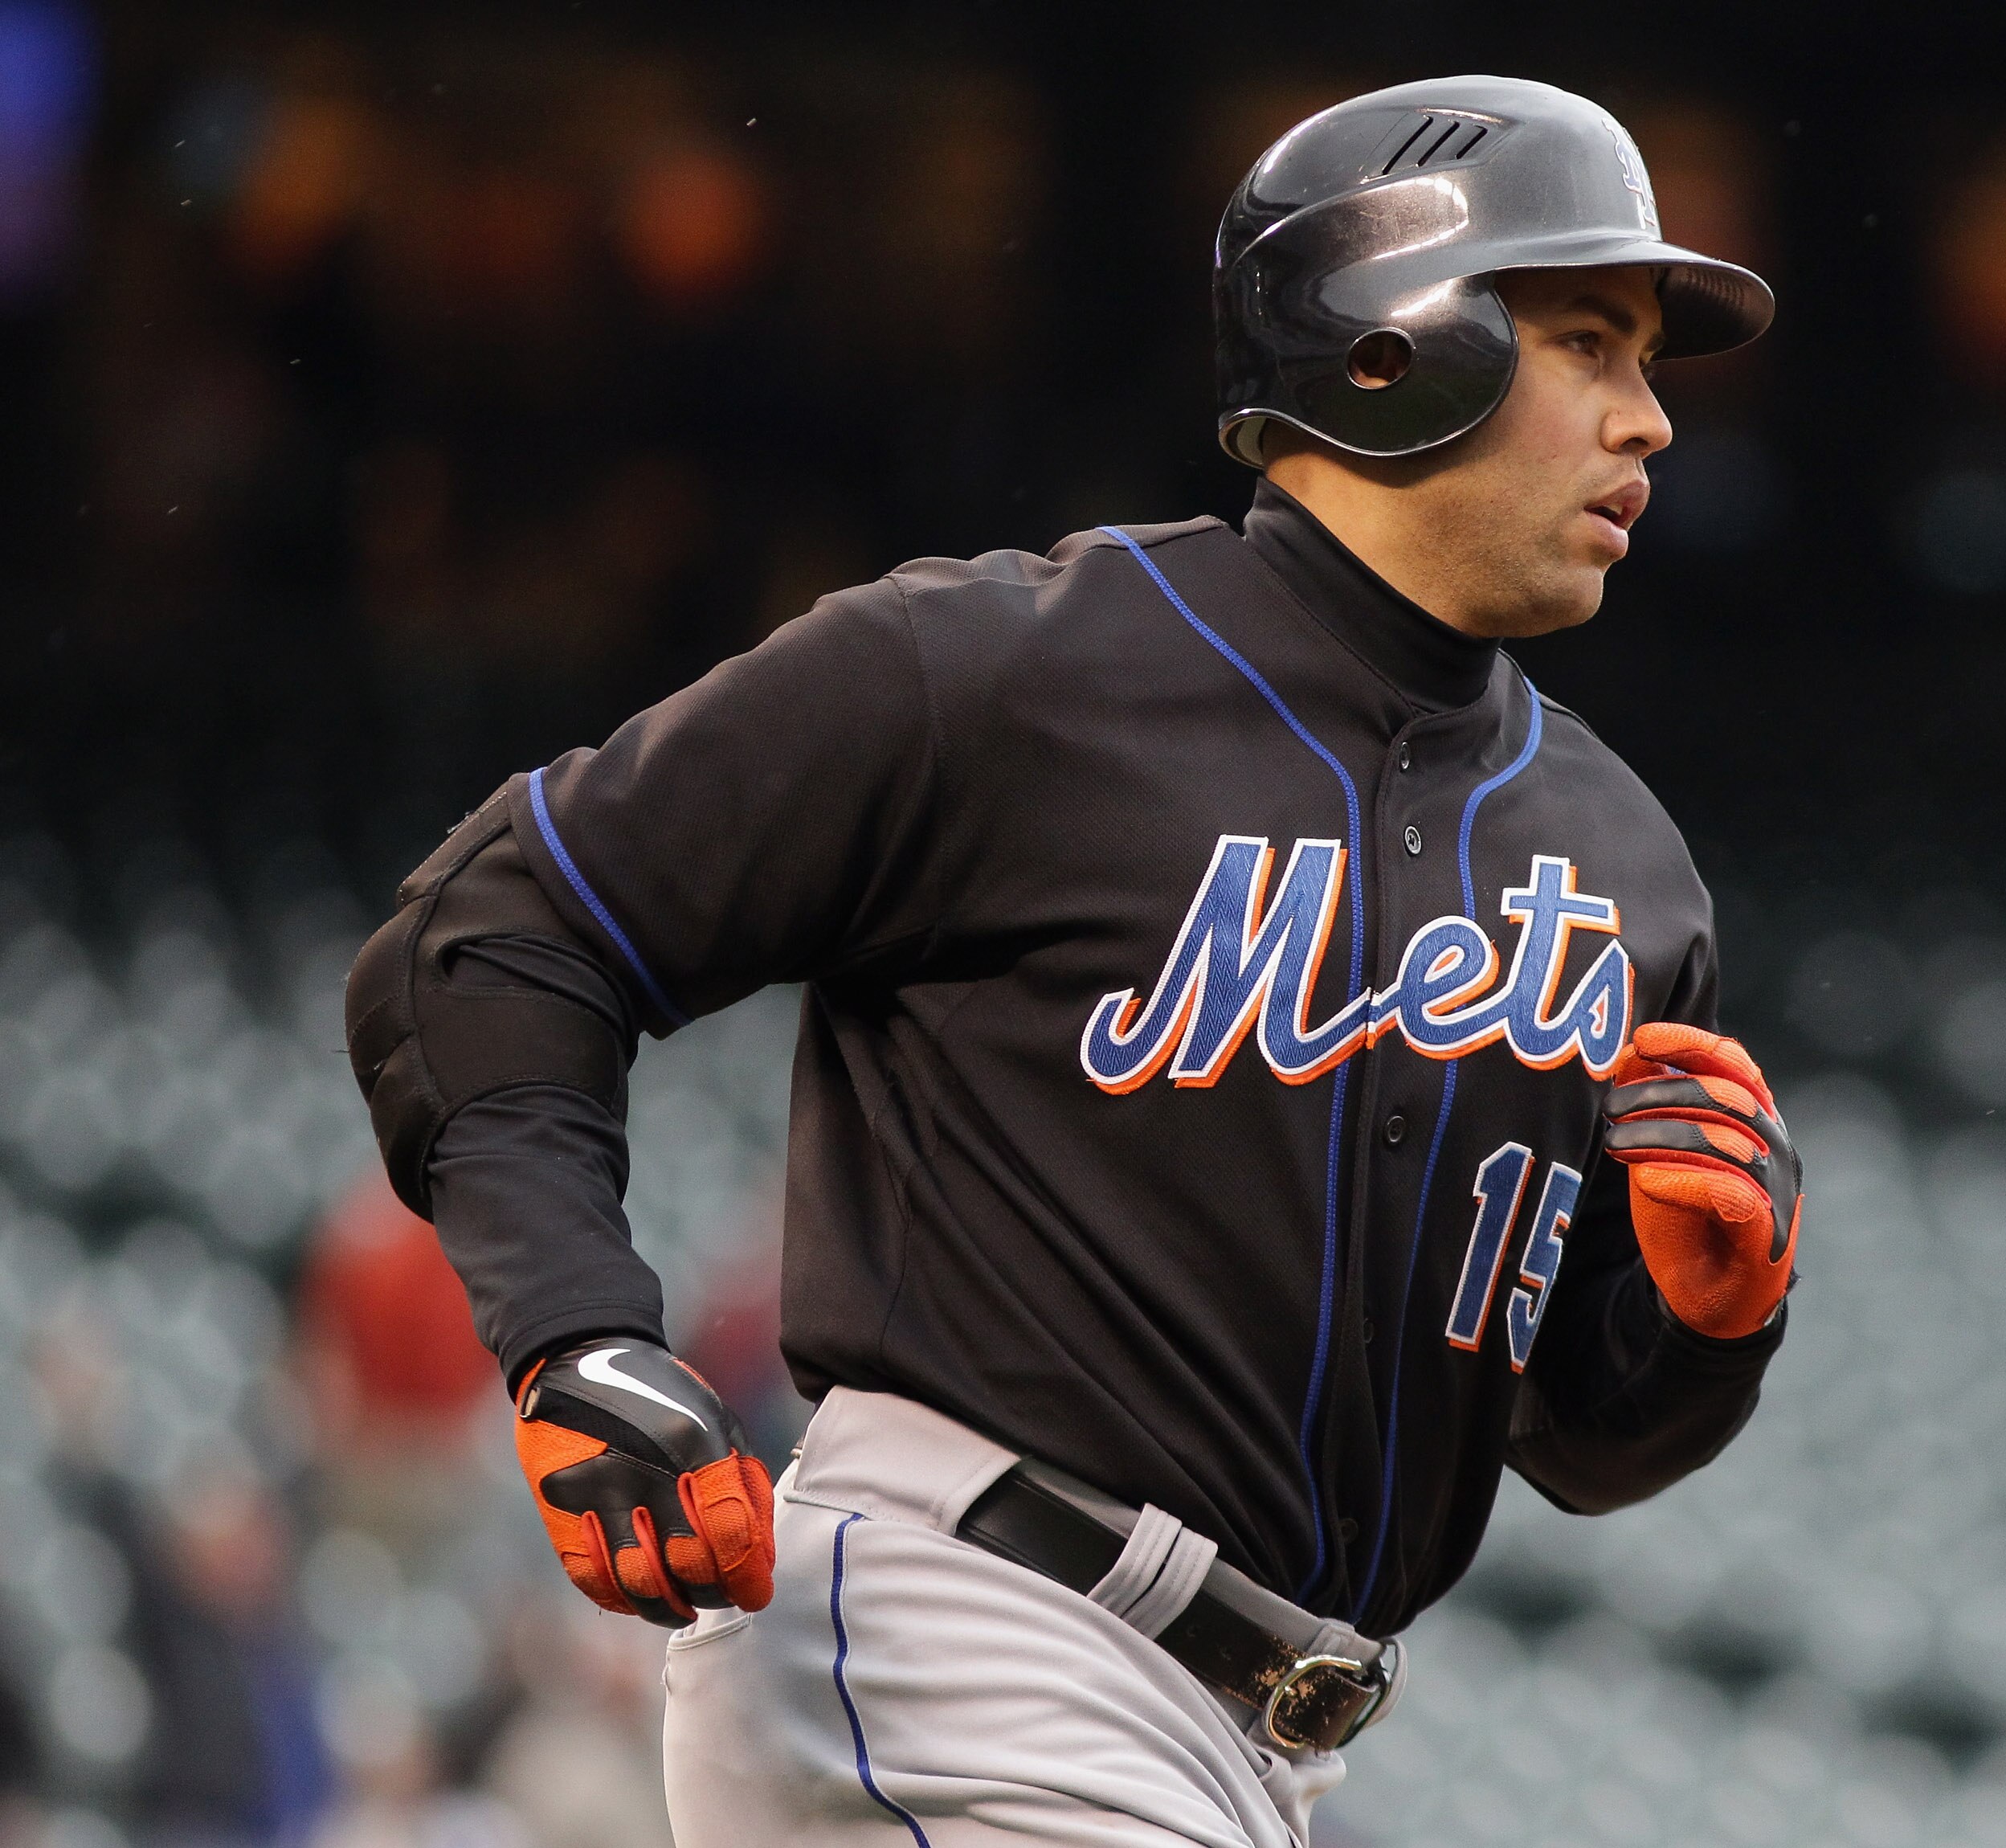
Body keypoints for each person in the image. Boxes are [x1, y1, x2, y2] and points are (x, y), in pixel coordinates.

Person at [345, 74, 1802, 1847]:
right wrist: (576, 1331)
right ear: (1387, 347)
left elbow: (1580, 1434)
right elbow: (495, 932)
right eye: (1593, 341)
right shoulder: (1001, 676)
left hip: (1253, 1740)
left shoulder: (1625, 866)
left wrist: (1704, 1329)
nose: (1652, 419)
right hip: (969, 1624)